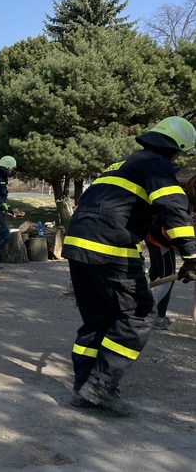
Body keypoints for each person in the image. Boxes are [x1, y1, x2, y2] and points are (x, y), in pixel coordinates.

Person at [61, 116, 196, 414]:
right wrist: (192, 254)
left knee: (97, 320)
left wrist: (179, 248)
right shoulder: (157, 165)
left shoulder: (124, 164)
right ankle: (101, 386)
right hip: (110, 246)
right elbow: (173, 208)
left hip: (78, 244)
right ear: (177, 149)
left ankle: (84, 387)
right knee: (139, 314)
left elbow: (147, 217)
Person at [145, 224, 177, 330]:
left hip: (155, 236)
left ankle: (137, 305)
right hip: (159, 239)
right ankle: (158, 317)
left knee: (155, 273)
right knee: (167, 278)